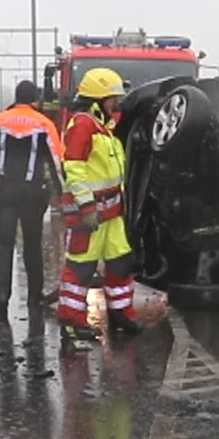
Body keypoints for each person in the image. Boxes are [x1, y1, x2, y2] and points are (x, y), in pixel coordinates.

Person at [57, 68, 142, 349]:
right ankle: (71, 323)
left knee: (120, 264)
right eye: (112, 98)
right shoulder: (83, 125)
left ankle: (120, 315)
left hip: (111, 215)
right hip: (89, 217)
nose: (116, 103)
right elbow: (73, 168)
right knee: (80, 270)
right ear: (98, 98)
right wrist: (86, 206)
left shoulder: (101, 126)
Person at [0, 81, 63, 316]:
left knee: (3, 244)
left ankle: (1, 299)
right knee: (32, 246)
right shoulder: (44, 124)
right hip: (33, 195)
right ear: (35, 100)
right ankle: (34, 298)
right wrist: (60, 191)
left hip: (4, 194)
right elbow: (56, 160)